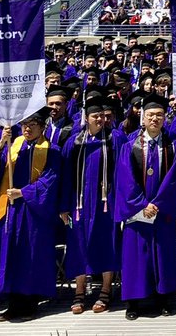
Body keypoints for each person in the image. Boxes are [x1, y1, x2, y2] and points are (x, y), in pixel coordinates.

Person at [0, 104, 63, 322]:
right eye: (24, 124)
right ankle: (14, 304)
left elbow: (50, 182)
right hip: (9, 210)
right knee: (10, 255)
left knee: (29, 257)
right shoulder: (13, 145)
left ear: (43, 127)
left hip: (33, 213)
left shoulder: (51, 150)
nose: (27, 129)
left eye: (32, 125)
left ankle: (29, 304)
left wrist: (23, 192)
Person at [116, 93, 176, 320]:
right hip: (137, 215)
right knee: (136, 258)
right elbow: (125, 181)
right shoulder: (129, 147)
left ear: (165, 118)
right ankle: (133, 304)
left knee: (162, 257)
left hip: (162, 213)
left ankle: (163, 300)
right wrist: (142, 205)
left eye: (159, 115)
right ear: (142, 119)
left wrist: (157, 204)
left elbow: (175, 180)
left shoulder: (174, 147)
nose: (155, 119)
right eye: (150, 115)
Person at [60, 92, 122, 315]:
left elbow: (123, 173)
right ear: (85, 117)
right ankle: (80, 291)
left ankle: (105, 290)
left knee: (107, 243)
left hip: (107, 203)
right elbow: (65, 175)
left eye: (102, 116)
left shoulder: (115, 139)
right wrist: (64, 206)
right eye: (95, 115)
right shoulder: (74, 142)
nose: (99, 119)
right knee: (78, 244)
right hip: (79, 204)